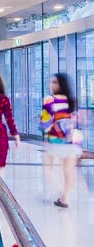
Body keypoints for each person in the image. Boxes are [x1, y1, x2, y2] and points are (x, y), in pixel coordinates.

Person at [40, 73, 83, 208]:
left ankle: (61, 192)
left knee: (48, 169)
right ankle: (65, 198)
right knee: (68, 171)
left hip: (55, 141)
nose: (51, 85)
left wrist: (44, 134)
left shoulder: (49, 100)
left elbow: (46, 121)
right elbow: (73, 120)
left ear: (60, 85)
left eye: (54, 82)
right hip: (71, 142)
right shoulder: (71, 101)